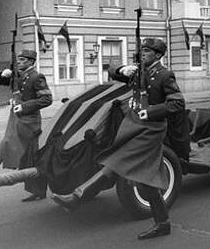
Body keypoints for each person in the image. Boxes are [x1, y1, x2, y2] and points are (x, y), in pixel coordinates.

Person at [52, 38, 189, 240]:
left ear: (158, 55)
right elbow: (112, 70)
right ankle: (163, 223)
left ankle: (77, 197)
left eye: (147, 51)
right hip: (133, 126)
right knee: (145, 182)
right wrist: (123, 69)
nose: (142, 53)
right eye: (142, 50)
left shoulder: (164, 74)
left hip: (151, 130)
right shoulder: (138, 71)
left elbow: (178, 103)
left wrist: (150, 112)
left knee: (116, 162)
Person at [0, 49, 52, 202]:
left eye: (22, 59)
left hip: (29, 123)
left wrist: (24, 106)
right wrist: (3, 74)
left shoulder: (36, 77)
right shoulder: (18, 75)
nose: (19, 62)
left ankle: (39, 191)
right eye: (18, 59)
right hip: (15, 120)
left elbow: (47, 99)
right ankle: (38, 191)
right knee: (6, 147)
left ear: (31, 62)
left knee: (31, 159)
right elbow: (1, 81)